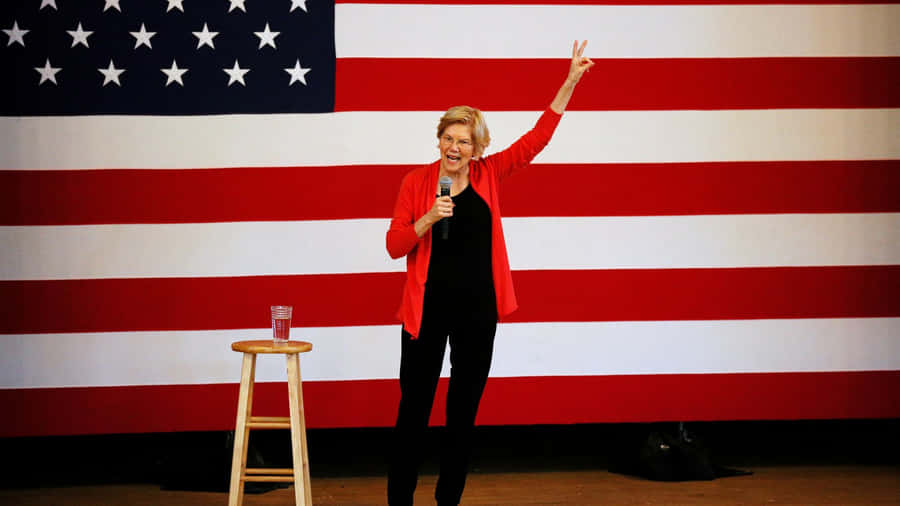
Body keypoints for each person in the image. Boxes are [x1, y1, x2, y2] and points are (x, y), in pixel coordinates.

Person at [384, 41, 595, 506]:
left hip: (478, 313)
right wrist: (427, 219)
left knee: (462, 414)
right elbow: (394, 246)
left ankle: (447, 501)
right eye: (448, 137)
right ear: (438, 139)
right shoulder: (416, 184)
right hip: (426, 313)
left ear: (477, 147)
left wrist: (570, 82)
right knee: (413, 413)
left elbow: (536, 140)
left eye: (464, 140)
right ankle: (399, 500)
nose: (455, 147)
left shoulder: (489, 175)